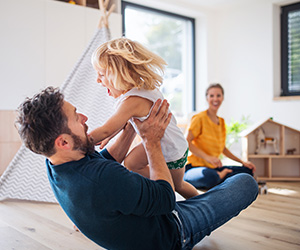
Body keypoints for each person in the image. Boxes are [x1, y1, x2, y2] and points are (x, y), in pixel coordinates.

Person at [16, 87, 258, 250]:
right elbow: (165, 198)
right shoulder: (102, 180)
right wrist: (151, 141)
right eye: (75, 117)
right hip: (172, 232)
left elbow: (106, 159)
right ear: (64, 142)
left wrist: (131, 122)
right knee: (246, 183)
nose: (84, 117)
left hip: (142, 221)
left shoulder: (55, 162)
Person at [89, 37, 198, 199]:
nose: (98, 80)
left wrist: (84, 141)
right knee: (131, 164)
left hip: (170, 149)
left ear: (121, 73)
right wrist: (109, 136)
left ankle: (201, 201)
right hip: (166, 143)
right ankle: (158, 183)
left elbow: (106, 128)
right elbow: (120, 122)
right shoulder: (140, 90)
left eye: (102, 75)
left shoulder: (132, 101)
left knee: (178, 186)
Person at [184, 83, 256, 190]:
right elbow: (186, 142)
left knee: (247, 171)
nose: (215, 99)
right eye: (211, 96)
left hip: (214, 168)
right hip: (195, 168)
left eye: (218, 95)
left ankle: (221, 175)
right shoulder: (199, 118)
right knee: (209, 176)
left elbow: (223, 149)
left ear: (222, 97)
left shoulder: (221, 122)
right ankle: (221, 176)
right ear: (207, 98)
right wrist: (207, 157)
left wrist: (243, 162)